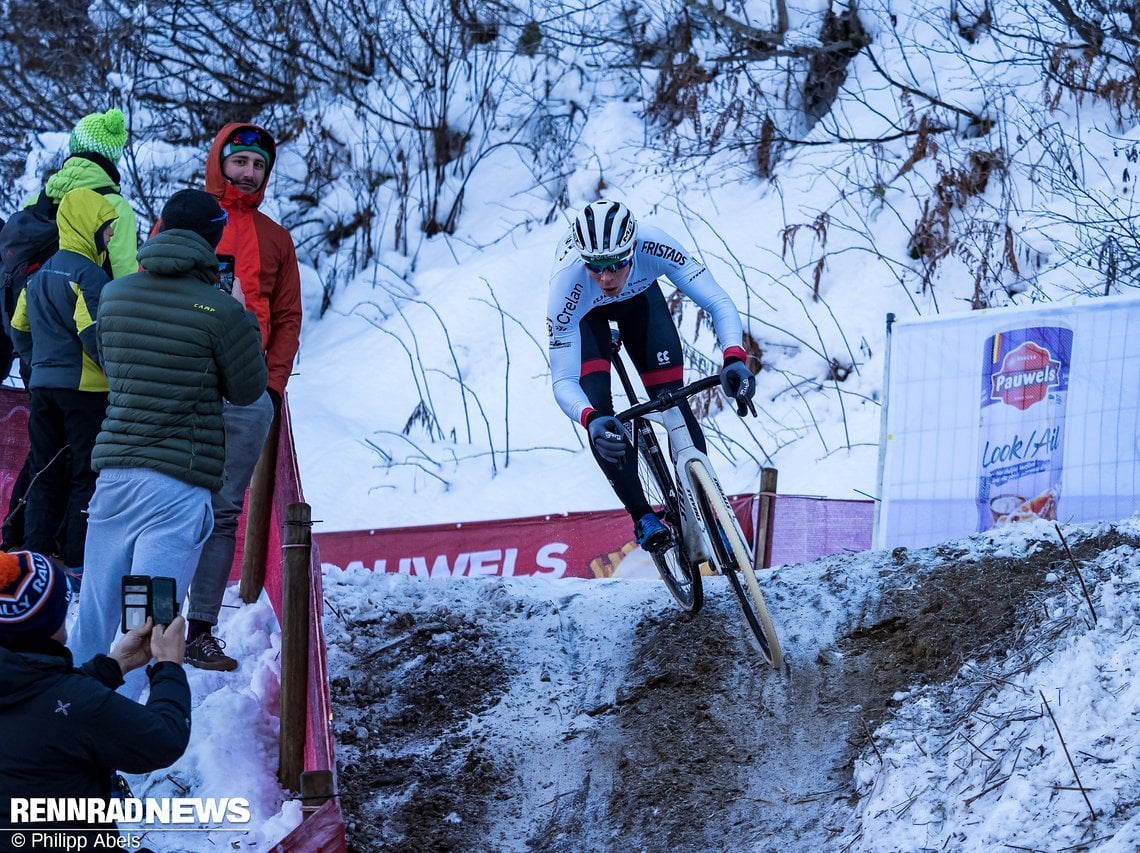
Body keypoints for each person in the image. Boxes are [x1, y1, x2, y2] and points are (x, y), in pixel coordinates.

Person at [68, 189, 267, 698]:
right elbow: (246, 392)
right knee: (148, 616)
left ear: (157, 228)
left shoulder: (115, 295)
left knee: (94, 605)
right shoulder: (220, 310)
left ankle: (63, 710)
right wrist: (240, 316)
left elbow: (117, 370)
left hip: (115, 477)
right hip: (176, 489)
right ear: (212, 239)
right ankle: (124, 728)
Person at [545, 199, 757, 551]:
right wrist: (590, 418)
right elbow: (563, 381)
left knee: (672, 401)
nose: (606, 277)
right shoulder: (567, 284)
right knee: (603, 418)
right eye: (595, 267)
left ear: (633, 248)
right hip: (587, 320)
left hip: (641, 301)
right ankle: (643, 516)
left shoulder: (654, 244)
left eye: (616, 264)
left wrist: (734, 356)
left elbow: (718, 302)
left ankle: (705, 511)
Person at [181, 123, 302, 671]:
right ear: (219, 162)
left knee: (224, 511)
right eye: (240, 162)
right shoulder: (188, 217)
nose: (249, 172)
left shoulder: (277, 237)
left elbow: (288, 318)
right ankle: (149, 624)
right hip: (185, 385)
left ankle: (200, 628)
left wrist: (272, 385)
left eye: (258, 165)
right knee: (170, 505)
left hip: (247, 393)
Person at [1, 108, 140, 553]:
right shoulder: (111, 208)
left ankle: (23, 546)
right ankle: (74, 554)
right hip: (87, 376)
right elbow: (116, 295)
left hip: (40, 367)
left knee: (44, 463)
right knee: (84, 466)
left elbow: (19, 315)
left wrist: (32, 355)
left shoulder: (39, 204)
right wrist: (120, 367)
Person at [0, 550, 190, 850]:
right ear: (50, 623)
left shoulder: (40, 690)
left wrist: (114, 664)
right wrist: (169, 667)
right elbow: (164, 739)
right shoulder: (74, 703)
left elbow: (40, 702)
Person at [8, 188, 119, 587]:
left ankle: (34, 562)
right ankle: (75, 564)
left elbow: (19, 327)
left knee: (43, 471)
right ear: (88, 227)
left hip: (43, 388)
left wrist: (39, 362)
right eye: (106, 230)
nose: (109, 238)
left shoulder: (40, 274)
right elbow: (94, 336)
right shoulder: (89, 275)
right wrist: (115, 377)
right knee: (83, 476)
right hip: (85, 392)